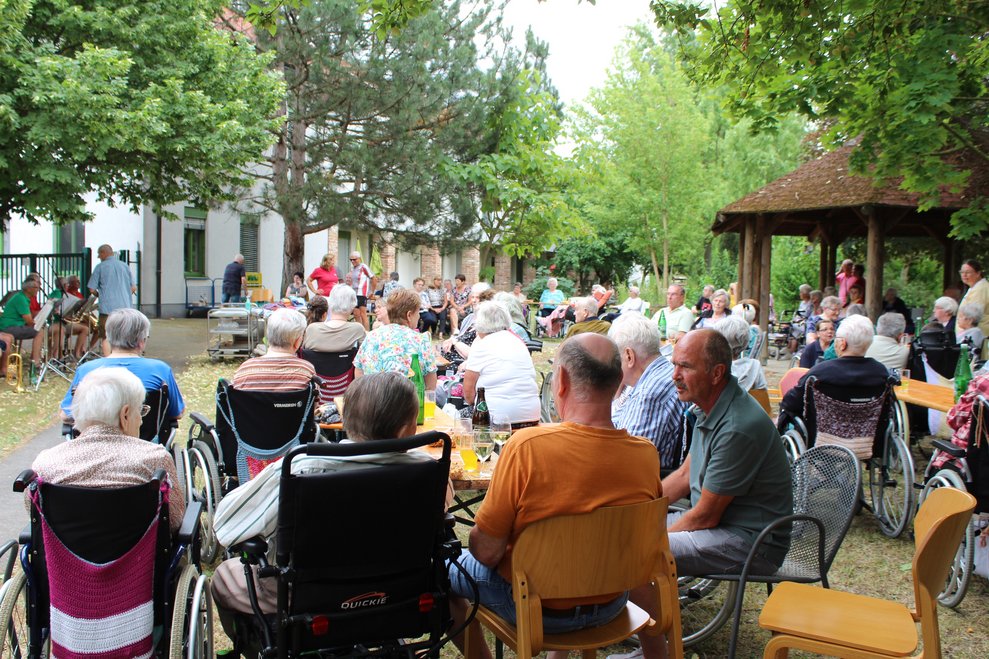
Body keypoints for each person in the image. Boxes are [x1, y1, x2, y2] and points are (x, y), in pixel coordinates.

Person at [447, 333, 663, 652]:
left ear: (560, 380)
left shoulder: (527, 447)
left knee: (443, 569)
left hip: (533, 608)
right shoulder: (645, 455)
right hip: (611, 604)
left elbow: (486, 552)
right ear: (620, 382)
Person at [211, 372, 443, 642]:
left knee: (225, 575)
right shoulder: (428, 471)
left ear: (344, 420)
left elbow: (227, 525)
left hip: (306, 596)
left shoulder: (304, 468)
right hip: (399, 591)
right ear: (407, 429)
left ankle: (262, 643)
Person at [626, 330, 792, 659]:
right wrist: (636, 507)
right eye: (673, 364)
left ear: (716, 373)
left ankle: (659, 654)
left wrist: (649, 534)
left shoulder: (737, 425)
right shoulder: (709, 407)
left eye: (685, 366)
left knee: (637, 552)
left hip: (752, 541)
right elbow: (686, 475)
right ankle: (654, 644)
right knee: (626, 534)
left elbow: (705, 515)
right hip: (723, 526)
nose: (674, 375)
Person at [34, 368, 185, 533]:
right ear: (125, 415)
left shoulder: (45, 464)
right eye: (140, 411)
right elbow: (174, 521)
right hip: (140, 558)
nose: (141, 421)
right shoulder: (156, 460)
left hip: (62, 558)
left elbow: (36, 516)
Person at [60, 308, 185, 423]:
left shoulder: (86, 370)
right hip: (145, 442)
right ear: (142, 341)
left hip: (97, 444)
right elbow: (177, 413)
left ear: (108, 339)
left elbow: (66, 415)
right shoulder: (160, 370)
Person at [609, 313, 686, 472]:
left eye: (615, 359)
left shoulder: (650, 394)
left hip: (646, 487)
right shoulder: (657, 373)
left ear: (629, 356)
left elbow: (627, 460)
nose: (613, 366)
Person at [781, 314, 890, 422]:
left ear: (842, 344)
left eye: (836, 338)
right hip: (870, 435)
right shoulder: (881, 372)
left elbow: (790, 403)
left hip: (824, 436)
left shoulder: (820, 371)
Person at [461, 302, 540, 426]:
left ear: (480, 324)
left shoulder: (482, 345)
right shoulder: (518, 341)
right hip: (532, 415)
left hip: (497, 418)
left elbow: (468, 394)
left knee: (457, 419)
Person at [354, 287, 437, 389]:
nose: (419, 316)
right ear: (409, 315)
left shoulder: (371, 336)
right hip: (407, 402)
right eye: (418, 312)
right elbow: (431, 383)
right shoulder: (420, 340)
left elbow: (358, 369)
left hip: (374, 401)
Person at [233, 308, 315, 391]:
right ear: (297, 341)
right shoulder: (307, 371)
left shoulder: (245, 370)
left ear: (268, 336)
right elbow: (314, 402)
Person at [88, 244, 135, 354]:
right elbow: (133, 287)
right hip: (125, 309)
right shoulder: (124, 266)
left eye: (99, 255)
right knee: (124, 335)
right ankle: (124, 357)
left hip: (107, 309)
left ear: (104, 253)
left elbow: (91, 288)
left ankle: (108, 360)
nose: (99, 257)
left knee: (106, 336)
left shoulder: (100, 267)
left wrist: (100, 295)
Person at [302, 285, 366, 353]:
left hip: (315, 363)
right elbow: (365, 354)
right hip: (345, 363)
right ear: (352, 306)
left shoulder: (311, 329)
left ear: (330, 302)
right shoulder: (357, 329)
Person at [0, 278, 43, 372]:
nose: (38, 289)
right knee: (39, 332)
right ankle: (35, 362)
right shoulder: (21, 299)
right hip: (9, 327)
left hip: (9, 326)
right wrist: (34, 323)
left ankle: (7, 368)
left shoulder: (22, 297)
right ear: (28, 288)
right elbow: (28, 320)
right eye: (36, 287)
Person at [715, 315, 768, 391]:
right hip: (747, 403)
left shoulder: (714, 369)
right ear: (746, 341)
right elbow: (763, 394)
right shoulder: (755, 366)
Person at [959, 259, 989, 353]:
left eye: (968, 272)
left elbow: (973, 315)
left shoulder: (981, 289)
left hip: (975, 336)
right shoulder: (974, 288)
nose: (964, 275)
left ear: (978, 273)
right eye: (962, 272)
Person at [348, 251, 374, 331]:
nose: (352, 261)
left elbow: (373, 278)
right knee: (356, 314)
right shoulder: (352, 268)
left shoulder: (363, 267)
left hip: (362, 293)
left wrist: (371, 291)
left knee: (363, 314)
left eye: (354, 259)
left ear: (359, 259)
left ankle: (366, 332)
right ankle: (360, 331)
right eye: (351, 260)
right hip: (354, 293)